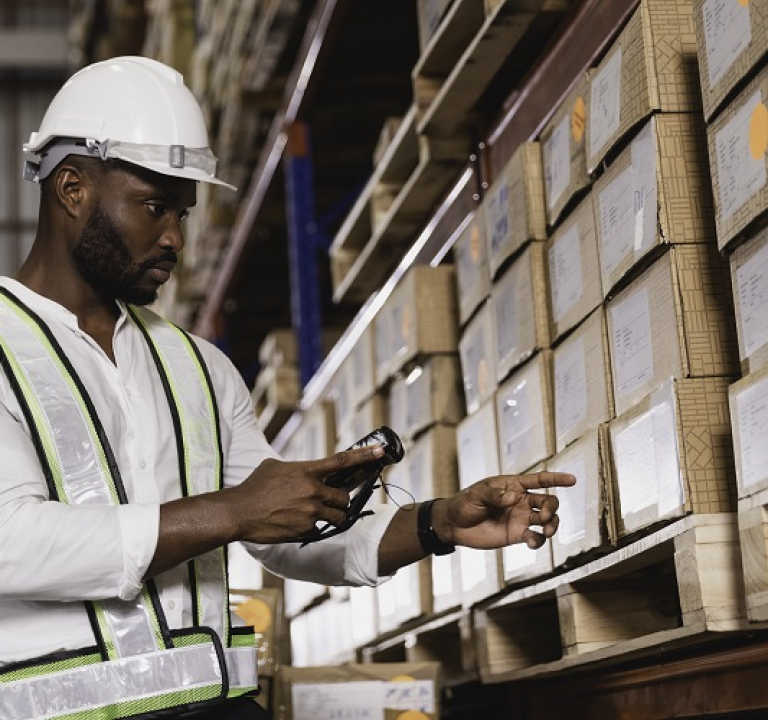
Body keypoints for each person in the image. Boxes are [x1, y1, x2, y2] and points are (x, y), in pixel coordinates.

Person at [0, 56, 576, 720]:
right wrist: (233, 511)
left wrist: (437, 523)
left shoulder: (198, 369)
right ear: (72, 189)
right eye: (155, 206)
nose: (174, 238)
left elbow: (281, 532)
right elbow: (13, 543)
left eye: (184, 214)